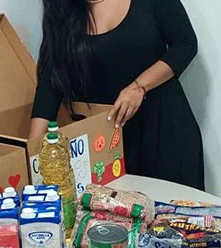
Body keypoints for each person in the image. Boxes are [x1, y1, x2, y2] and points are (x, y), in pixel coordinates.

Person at [30, 0, 205, 190]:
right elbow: (50, 83)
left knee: (175, 216)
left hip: (164, 133)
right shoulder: (60, 9)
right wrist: (31, 155)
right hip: (107, 145)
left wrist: (139, 87)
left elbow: (185, 44)